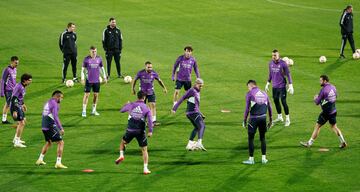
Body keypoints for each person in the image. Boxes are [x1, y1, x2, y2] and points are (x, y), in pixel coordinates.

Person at [300, 75, 347, 148]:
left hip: (326, 113)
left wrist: (315, 98)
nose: (320, 82)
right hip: (333, 111)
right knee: (334, 126)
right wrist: (325, 101)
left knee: (317, 126)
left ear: (325, 81)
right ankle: (343, 141)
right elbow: (335, 97)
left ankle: (309, 143)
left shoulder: (323, 90)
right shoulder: (333, 87)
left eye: (321, 80)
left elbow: (317, 102)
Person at [115, 91, 153, 175]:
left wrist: (126, 104)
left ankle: (121, 155)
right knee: (144, 150)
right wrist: (150, 131)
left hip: (130, 130)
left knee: (123, 142)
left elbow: (121, 110)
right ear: (144, 98)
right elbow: (150, 120)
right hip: (140, 132)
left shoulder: (131, 104)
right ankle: (145, 168)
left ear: (137, 97)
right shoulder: (146, 108)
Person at [242, 80, 272, 165]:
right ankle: (264, 158)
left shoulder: (249, 94)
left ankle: (251, 159)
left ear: (250, 86)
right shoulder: (264, 93)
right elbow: (270, 107)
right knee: (262, 138)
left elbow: (247, 108)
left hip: (253, 119)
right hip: (263, 118)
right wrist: (270, 119)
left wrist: (244, 120)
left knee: (251, 139)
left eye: (248, 87)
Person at [171, 78, 206, 151]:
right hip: (193, 112)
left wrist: (201, 113)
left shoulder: (197, 91)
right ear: (196, 84)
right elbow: (182, 98)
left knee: (197, 127)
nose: (201, 87)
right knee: (202, 125)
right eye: (200, 86)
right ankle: (199, 143)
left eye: (202, 86)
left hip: (192, 112)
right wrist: (174, 108)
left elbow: (195, 104)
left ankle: (189, 144)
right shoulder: (192, 90)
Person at [35, 90, 67, 169]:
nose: (61, 100)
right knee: (61, 142)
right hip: (50, 126)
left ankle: (40, 159)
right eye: (61, 98)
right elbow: (55, 117)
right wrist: (61, 128)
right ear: (57, 96)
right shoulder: (54, 104)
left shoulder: (48, 102)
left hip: (44, 126)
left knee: (48, 142)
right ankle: (58, 163)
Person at [132, 61, 167, 126]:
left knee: (153, 105)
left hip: (151, 92)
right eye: (148, 67)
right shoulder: (140, 73)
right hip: (142, 93)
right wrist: (133, 89)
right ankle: (142, 121)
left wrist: (164, 88)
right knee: (142, 107)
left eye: (151, 67)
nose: (150, 69)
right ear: (145, 67)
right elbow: (134, 80)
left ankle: (153, 121)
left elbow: (159, 80)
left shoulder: (154, 73)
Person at [265, 49, 294, 127]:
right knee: (276, 101)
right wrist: (268, 83)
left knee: (283, 102)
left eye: (275, 55)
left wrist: (291, 85)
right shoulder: (270, 63)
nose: (273, 57)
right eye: (272, 55)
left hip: (282, 87)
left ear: (278, 55)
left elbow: (288, 74)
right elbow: (270, 74)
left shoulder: (283, 64)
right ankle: (279, 117)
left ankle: (287, 119)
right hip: (274, 87)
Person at [81, 46, 107, 117]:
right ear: (90, 52)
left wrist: (104, 77)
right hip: (89, 80)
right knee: (86, 95)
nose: (94, 53)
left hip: (96, 80)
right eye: (93, 51)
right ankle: (84, 111)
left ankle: (94, 110)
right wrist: (82, 78)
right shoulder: (86, 59)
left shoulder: (99, 58)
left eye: (95, 51)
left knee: (96, 95)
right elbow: (83, 69)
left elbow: (102, 68)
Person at [11, 73, 32, 148]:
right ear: (24, 80)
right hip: (16, 106)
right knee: (22, 123)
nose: (30, 82)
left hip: (19, 106)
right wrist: (14, 110)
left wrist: (23, 104)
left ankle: (15, 139)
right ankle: (17, 141)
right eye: (29, 80)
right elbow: (14, 98)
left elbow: (20, 97)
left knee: (23, 122)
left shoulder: (23, 86)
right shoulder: (19, 87)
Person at [1, 56, 19, 124]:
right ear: (12, 62)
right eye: (16, 63)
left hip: (13, 89)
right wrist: (2, 92)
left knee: (8, 104)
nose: (17, 64)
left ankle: (4, 119)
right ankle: (17, 119)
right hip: (8, 90)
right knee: (11, 104)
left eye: (17, 63)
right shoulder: (7, 70)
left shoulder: (15, 69)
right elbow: (2, 80)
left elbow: (13, 80)